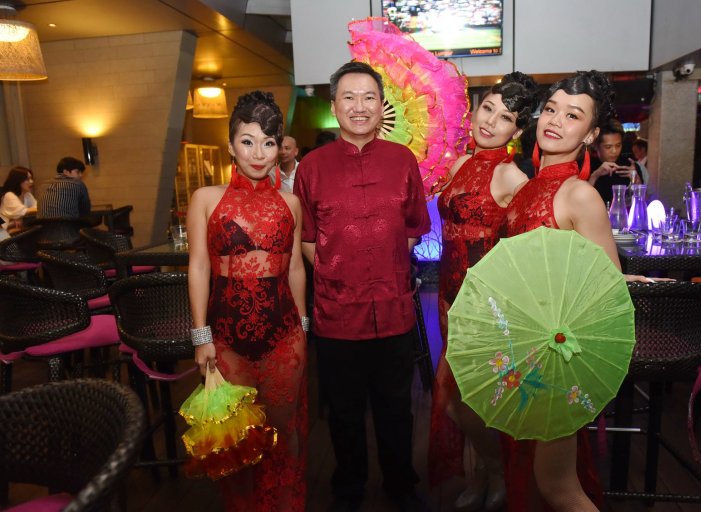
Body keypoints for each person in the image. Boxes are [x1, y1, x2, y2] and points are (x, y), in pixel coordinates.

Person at [503, 70, 655, 512]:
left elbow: (606, 287)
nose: (555, 120)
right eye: (551, 109)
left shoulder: (579, 195)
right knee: (529, 473)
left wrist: (621, 282)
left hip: (556, 353)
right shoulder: (528, 188)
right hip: (523, 344)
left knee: (558, 487)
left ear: (590, 134)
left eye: (573, 115)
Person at [295, 61, 431, 511]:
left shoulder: (402, 160)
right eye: (349, 97)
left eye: (369, 97)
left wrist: (386, 269)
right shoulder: (311, 167)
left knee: (397, 407)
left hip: (393, 308)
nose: (359, 106)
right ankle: (348, 488)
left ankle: (400, 485)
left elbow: (413, 227)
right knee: (344, 410)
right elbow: (307, 237)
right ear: (334, 106)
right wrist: (338, 274)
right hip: (336, 312)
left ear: (381, 106)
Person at [187, 91, 308, 511]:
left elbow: (295, 268)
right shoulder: (206, 198)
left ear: (280, 147)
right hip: (226, 342)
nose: (258, 153)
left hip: (284, 339)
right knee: (238, 440)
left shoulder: (291, 203)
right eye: (248, 141)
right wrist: (201, 336)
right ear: (231, 146)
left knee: (284, 432)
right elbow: (198, 268)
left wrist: (304, 327)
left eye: (268, 143)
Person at [428, 72, 537, 511]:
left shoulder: (512, 176)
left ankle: (498, 473)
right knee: (458, 398)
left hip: (485, 303)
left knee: (474, 398)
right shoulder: (457, 165)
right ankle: (486, 472)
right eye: (487, 108)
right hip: (447, 297)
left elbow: (532, 239)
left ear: (518, 131)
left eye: (505, 117)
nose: (490, 121)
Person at [587, 119, 643, 205]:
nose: (614, 151)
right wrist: (595, 176)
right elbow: (579, 202)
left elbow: (641, 202)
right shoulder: (587, 166)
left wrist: (637, 182)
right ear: (596, 146)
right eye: (608, 147)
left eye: (618, 145)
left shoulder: (629, 166)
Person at [0, 167, 37, 240]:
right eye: (27, 179)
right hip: (4, 235)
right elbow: (23, 212)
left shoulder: (27, 195)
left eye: (31, 178)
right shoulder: (9, 195)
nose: (31, 181)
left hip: (18, 232)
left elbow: (36, 208)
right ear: (18, 181)